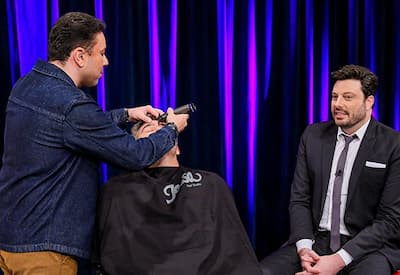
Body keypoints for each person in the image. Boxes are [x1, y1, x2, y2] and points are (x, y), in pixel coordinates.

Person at [0, 12, 188, 275]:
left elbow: (69, 128)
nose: (106, 61)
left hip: (12, 244)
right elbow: (135, 155)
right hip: (45, 254)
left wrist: (125, 114)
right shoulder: (71, 105)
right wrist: (171, 129)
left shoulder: (27, 85)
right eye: (101, 53)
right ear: (79, 56)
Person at [261, 64, 400, 275]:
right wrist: (305, 248)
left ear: (369, 101)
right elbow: (300, 199)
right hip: (316, 242)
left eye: (347, 97)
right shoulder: (313, 136)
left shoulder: (392, 144)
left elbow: (390, 219)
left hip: (368, 248)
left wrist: (338, 260)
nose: (338, 104)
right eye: (334, 96)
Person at [96, 119, 262, 275]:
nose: (158, 133)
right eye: (149, 129)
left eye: (164, 130)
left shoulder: (211, 184)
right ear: (136, 148)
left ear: (177, 148)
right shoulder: (116, 190)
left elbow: (235, 251)